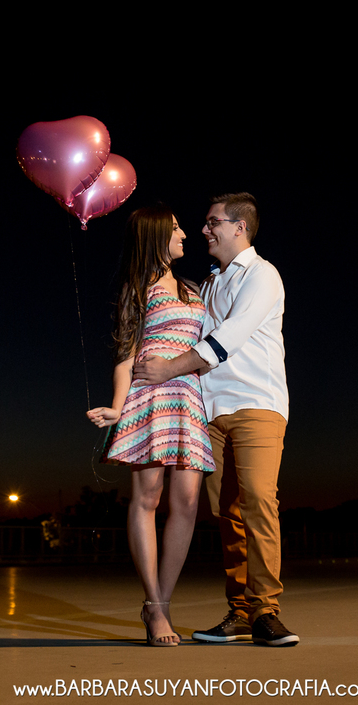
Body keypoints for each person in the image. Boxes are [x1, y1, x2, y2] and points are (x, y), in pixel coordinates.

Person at [132, 192, 298, 647]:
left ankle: (266, 609)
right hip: (208, 410)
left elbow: (229, 336)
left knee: (259, 500)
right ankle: (240, 611)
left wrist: (168, 368)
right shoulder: (206, 285)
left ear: (238, 227)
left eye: (211, 222)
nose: (203, 229)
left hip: (256, 405)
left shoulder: (263, 275)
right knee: (226, 513)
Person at [86, 205, 214, 647]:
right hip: (149, 398)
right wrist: (118, 408)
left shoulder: (195, 287)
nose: (185, 233)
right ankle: (156, 607)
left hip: (188, 398)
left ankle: (161, 600)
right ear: (156, 236)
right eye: (176, 227)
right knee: (148, 497)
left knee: (188, 502)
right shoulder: (136, 289)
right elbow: (125, 355)